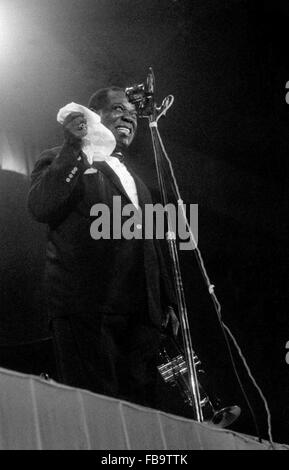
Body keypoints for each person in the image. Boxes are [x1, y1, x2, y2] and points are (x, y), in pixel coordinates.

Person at [28, 86, 178, 407]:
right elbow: (41, 206)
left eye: (132, 113)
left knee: (140, 413)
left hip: (141, 315)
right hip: (87, 307)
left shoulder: (138, 182)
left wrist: (165, 300)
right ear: (95, 115)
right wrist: (73, 147)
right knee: (98, 411)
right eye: (117, 109)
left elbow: (151, 243)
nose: (128, 116)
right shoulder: (59, 157)